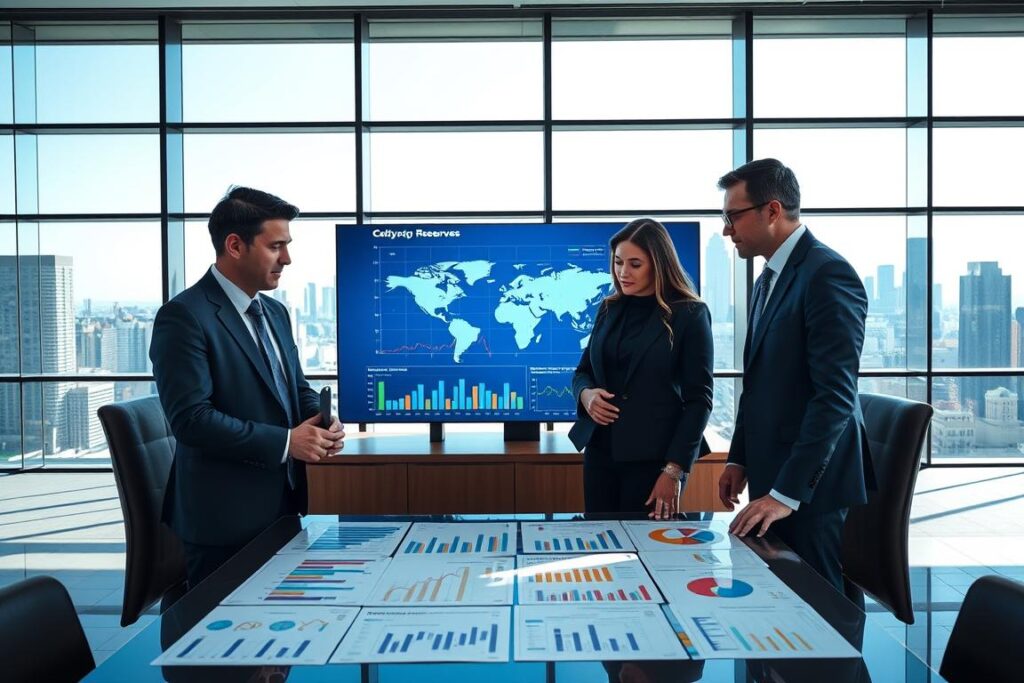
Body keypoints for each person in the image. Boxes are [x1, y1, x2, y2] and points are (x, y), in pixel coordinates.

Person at [150, 186, 344, 589]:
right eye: (276, 246)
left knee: (278, 637)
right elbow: (192, 421)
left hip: (284, 510)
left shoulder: (274, 311)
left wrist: (321, 419)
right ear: (235, 245)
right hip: (224, 522)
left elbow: (294, 387)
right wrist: (287, 442)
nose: (287, 258)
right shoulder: (184, 317)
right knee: (223, 646)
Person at [717, 158, 873, 593]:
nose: (727, 230)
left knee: (820, 610)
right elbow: (761, 382)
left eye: (733, 216)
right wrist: (739, 457)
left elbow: (834, 397)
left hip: (809, 489)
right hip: (773, 474)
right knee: (780, 604)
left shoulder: (826, 274)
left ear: (771, 210)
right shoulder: (767, 278)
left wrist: (786, 494)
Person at [569, 218, 713, 519]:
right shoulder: (609, 308)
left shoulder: (690, 314)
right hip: (600, 454)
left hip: (656, 461)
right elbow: (582, 372)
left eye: (635, 264)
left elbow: (699, 400)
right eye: (618, 262)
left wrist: (673, 471)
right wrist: (586, 396)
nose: (623, 272)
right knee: (600, 545)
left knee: (646, 555)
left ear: (658, 264)